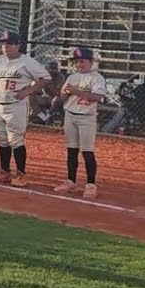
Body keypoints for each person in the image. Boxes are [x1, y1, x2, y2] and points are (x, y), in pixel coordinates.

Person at [0, 31, 51, 187]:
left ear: (18, 45)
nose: (5, 47)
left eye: (9, 44)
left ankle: (21, 174)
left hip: (16, 106)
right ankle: (4, 172)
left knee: (15, 140)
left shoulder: (27, 62)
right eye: (3, 44)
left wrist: (28, 91)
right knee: (2, 139)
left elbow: (46, 78)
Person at [55, 46, 107, 199]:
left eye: (82, 61)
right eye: (77, 62)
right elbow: (63, 98)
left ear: (91, 62)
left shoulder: (97, 78)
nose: (79, 64)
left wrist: (76, 91)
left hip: (86, 117)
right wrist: (64, 93)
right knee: (72, 151)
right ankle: (71, 181)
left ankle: (91, 184)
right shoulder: (72, 77)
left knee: (87, 151)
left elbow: (97, 97)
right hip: (70, 115)